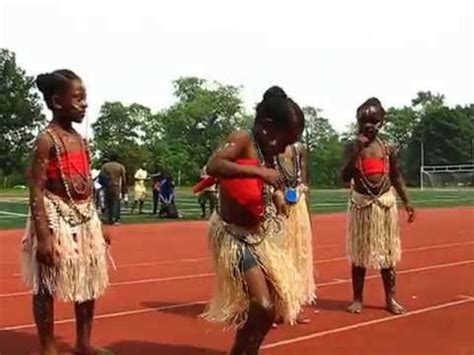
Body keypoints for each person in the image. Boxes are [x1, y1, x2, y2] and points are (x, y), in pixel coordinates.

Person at [202, 86, 303, 354]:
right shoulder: (243, 138)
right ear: (268, 126)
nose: (285, 147)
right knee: (262, 305)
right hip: (232, 236)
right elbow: (214, 165)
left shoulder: (267, 151)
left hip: (255, 236)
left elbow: (268, 183)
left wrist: (278, 194)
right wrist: (261, 174)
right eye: (284, 140)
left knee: (272, 308)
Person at [21, 69, 111, 355]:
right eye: (79, 98)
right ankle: (48, 345)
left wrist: (97, 224)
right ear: (58, 102)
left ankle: (83, 342)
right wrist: (44, 236)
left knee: (87, 280)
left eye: (85, 98)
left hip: (84, 218)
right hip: (54, 216)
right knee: (46, 285)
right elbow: (36, 187)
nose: (84, 104)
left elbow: (86, 185)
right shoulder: (47, 140)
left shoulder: (81, 141)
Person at [341, 97, 415, 315]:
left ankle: (390, 298)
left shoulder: (388, 147)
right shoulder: (351, 146)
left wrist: (407, 201)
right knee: (359, 255)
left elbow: (396, 175)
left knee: (387, 255)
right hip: (362, 206)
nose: (368, 125)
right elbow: (345, 176)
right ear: (357, 121)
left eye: (374, 121)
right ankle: (357, 298)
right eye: (364, 120)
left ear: (381, 122)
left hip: (384, 205)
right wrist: (356, 150)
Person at [275, 115, 316, 315]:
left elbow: (304, 181)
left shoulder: (299, 150)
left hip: (297, 208)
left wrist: (308, 214)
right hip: (275, 209)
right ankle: (275, 306)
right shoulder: (267, 149)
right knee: (276, 258)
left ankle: (294, 305)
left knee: (297, 257)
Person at [101, 153, 127, 225]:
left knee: (108, 203)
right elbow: (124, 179)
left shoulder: (105, 166)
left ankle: (109, 218)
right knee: (116, 203)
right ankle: (115, 219)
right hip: (116, 186)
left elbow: (101, 176)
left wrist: (104, 183)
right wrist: (124, 189)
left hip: (107, 186)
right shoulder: (120, 166)